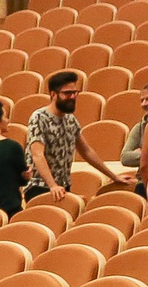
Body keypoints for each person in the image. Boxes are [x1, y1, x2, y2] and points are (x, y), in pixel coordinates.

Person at [26, 71, 122, 200]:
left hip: (63, 187)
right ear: (53, 94)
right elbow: (38, 155)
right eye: (67, 93)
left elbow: (86, 151)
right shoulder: (39, 117)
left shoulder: (70, 119)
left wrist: (114, 176)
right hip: (40, 187)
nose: (72, 97)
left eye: (75, 92)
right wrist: (52, 185)